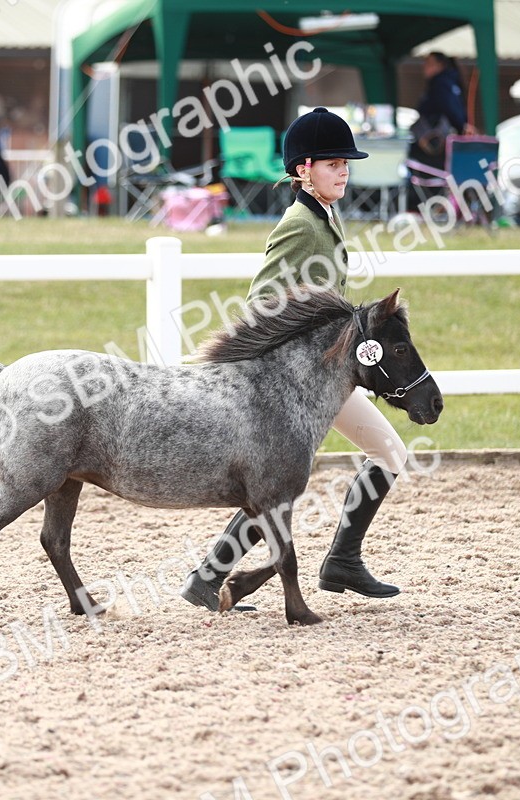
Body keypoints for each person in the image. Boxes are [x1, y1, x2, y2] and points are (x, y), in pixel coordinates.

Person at [181, 107, 414, 612]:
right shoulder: (301, 225)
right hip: (297, 379)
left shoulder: (323, 217)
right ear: (303, 168)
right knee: (383, 453)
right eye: (333, 164)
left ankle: (210, 578)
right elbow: (263, 301)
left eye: (346, 164)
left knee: (280, 479)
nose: (344, 172)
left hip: (324, 374)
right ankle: (342, 562)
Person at [407, 52, 475, 207]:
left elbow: (450, 109)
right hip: (445, 144)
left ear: (440, 65)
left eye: (429, 63)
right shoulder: (452, 82)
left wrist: (460, 126)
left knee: (428, 172)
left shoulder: (441, 83)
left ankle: (428, 205)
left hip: (435, 145)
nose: (424, 66)